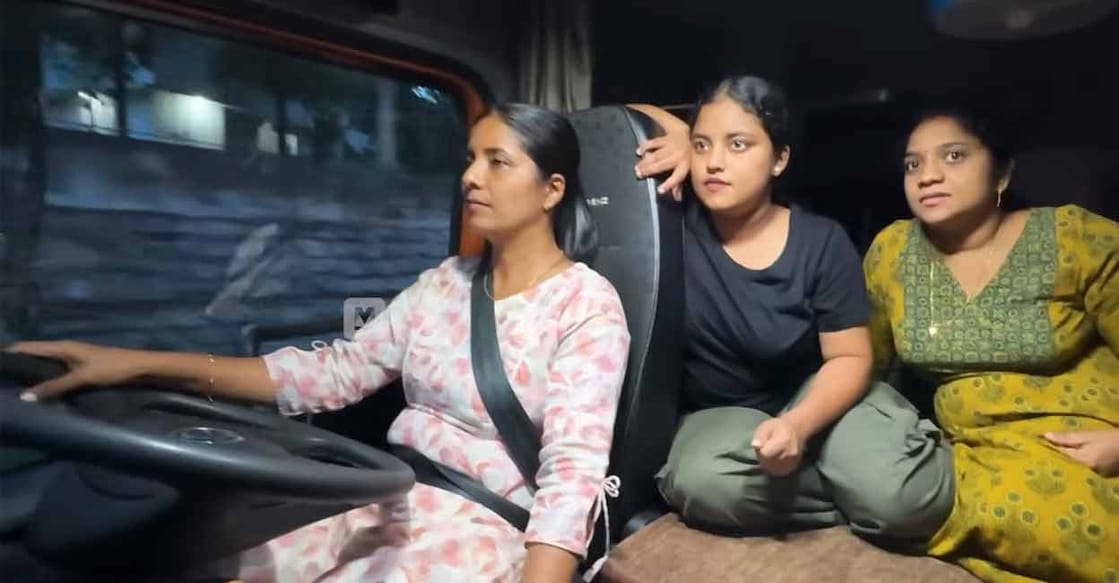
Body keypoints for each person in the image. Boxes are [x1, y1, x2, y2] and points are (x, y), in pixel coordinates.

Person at [8, 103, 632, 583]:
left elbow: (571, 475)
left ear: (551, 190)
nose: (470, 176)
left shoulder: (585, 305)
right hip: (383, 494)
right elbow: (334, 374)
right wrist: (135, 366)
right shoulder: (445, 284)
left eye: (497, 162)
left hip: (484, 522)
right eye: (470, 157)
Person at [628, 77, 954, 545]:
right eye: (703, 146)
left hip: (822, 398)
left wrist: (797, 428)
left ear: (779, 159)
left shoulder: (820, 241)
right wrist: (680, 133)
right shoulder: (669, 224)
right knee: (701, 483)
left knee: (909, 502)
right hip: (726, 414)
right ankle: (855, 494)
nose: (714, 162)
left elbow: (849, 358)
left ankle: (866, 483)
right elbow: (611, 116)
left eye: (738, 145)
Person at [862, 104, 1119, 582]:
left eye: (953, 156)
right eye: (912, 164)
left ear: (1001, 173)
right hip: (977, 454)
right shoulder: (892, 253)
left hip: (1095, 435)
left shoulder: (1074, 237)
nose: (927, 176)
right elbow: (864, 369)